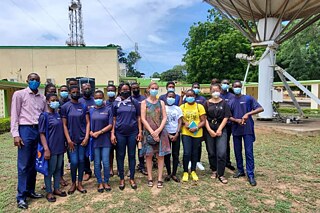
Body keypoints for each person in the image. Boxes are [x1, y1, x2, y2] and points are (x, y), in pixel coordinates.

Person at [10, 73, 45, 209]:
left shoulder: (42, 98)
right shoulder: (20, 94)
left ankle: (31, 190)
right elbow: (15, 114)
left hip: (38, 130)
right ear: (27, 81)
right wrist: (16, 134)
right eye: (32, 79)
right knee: (24, 164)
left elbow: (44, 115)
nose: (34, 82)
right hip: (25, 130)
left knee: (33, 162)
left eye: (37, 80)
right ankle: (21, 196)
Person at [229, 80, 264, 186]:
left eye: (238, 86)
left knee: (249, 152)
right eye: (235, 86)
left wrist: (248, 114)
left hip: (247, 129)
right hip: (236, 129)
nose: (237, 88)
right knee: (237, 151)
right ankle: (240, 170)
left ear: (241, 87)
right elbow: (228, 116)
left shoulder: (248, 98)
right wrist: (236, 120)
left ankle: (250, 174)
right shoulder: (230, 101)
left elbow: (260, 108)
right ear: (232, 87)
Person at [111, 83, 142, 190]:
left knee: (132, 155)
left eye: (127, 89)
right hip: (120, 133)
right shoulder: (115, 103)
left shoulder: (135, 102)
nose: (126, 91)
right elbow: (114, 119)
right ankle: (121, 178)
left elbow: (138, 118)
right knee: (120, 156)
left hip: (133, 133)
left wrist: (140, 131)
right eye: (123, 89)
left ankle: (132, 178)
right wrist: (112, 133)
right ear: (119, 91)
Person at [61, 85, 90, 194]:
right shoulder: (65, 107)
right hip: (71, 140)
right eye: (73, 92)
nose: (76, 93)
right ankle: (73, 183)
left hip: (82, 139)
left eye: (77, 92)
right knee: (74, 162)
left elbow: (88, 122)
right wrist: (68, 140)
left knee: (82, 161)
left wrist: (87, 137)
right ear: (69, 93)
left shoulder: (83, 106)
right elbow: (64, 125)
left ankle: (80, 183)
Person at [141, 82, 170, 188]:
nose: (154, 90)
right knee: (148, 156)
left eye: (156, 88)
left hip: (160, 133)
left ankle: (159, 178)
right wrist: (152, 132)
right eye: (152, 88)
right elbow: (143, 118)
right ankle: (149, 178)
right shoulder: (144, 103)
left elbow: (165, 117)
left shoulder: (161, 102)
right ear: (148, 89)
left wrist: (158, 131)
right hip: (148, 132)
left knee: (160, 156)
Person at [39, 93, 67, 202]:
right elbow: (41, 133)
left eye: (56, 100)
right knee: (50, 170)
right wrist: (46, 149)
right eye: (52, 100)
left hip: (60, 147)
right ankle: (49, 192)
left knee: (58, 169)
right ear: (47, 102)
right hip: (51, 148)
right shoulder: (44, 116)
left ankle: (56, 189)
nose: (55, 102)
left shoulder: (58, 114)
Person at [204, 84, 231, 184]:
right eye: (213, 90)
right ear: (210, 91)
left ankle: (221, 174)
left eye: (217, 90)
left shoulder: (224, 103)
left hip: (221, 128)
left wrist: (219, 129)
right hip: (209, 128)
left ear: (220, 91)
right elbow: (204, 118)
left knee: (221, 152)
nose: (215, 92)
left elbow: (226, 116)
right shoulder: (206, 103)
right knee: (211, 151)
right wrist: (210, 130)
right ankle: (214, 170)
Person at [89, 91, 113, 192]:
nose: (98, 99)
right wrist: (90, 132)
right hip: (94, 140)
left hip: (105, 140)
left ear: (103, 98)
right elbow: (87, 123)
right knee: (97, 163)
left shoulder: (108, 109)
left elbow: (110, 124)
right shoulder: (90, 110)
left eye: (100, 97)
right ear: (94, 98)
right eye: (96, 97)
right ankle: (99, 182)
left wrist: (99, 132)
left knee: (106, 162)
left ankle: (106, 181)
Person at [180, 89, 206, 182]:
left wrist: (197, 127)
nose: (189, 97)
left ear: (195, 96)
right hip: (186, 132)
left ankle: (193, 171)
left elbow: (203, 120)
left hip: (197, 133)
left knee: (195, 152)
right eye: (187, 96)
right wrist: (185, 123)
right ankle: (186, 171)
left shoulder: (200, 107)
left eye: (191, 96)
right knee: (187, 152)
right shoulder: (182, 106)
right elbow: (181, 118)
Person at [164, 91, 182, 183]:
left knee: (175, 154)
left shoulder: (178, 109)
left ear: (175, 99)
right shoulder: (163, 108)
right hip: (166, 134)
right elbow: (162, 123)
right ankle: (168, 173)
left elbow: (179, 121)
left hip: (176, 134)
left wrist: (177, 133)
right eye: (169, 96)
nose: (170, 98)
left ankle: (174, 173)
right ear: (166, 97)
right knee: (167, 154)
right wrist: (168, 134)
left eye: (172, 97)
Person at [131, 82, 148, 176]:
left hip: (143, 127)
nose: (135, 90)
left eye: (137, 88)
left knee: (141, 149)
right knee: (131, 150)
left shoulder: (143, 99)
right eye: (133, 88)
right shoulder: (129, 99)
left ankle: (142, 166)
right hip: (132, 128)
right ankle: (131, 168)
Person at [79, 83, 94, 181]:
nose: (87, 90)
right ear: (82, 90)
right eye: (85, 88)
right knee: (84, 154)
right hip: (83, 130)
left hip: (95, 130)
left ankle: (98, 170)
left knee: (96, 152)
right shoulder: (79, 101)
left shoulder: (95, 99)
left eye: (89, 88)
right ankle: (87, 171)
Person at [220, 79, 236, 171]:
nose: (225, 85)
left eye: (227, 83)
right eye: (224, 83)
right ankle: (218, 162)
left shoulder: (232, 96)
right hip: (218, 124)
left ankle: (227, 162)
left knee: (226, 143)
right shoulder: (217, 95)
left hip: (229, 123)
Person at [105, 84, 117, 177]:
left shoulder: (118, 102)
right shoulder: (105, 103)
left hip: (118, 129)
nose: (110, 92)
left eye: (112, 90)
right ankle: (110, 168)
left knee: (119, 151)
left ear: (115, 91)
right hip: (108, 130)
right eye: (109, 90)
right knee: (110, 151)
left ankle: (119, 168)